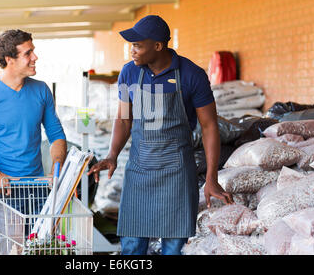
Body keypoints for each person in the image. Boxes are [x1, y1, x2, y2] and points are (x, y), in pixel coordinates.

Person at [87, 15, 234, 255]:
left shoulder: (191, 75)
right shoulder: (129, 73)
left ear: (158, 46)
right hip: (138, 170)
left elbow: (209, 127)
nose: (132, 51)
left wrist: (211, 177)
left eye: (137, 45)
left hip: (176, 172)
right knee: (132, 245)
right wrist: (112, 155)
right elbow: (124, 118)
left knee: (173, 247)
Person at [0, 29, 67, 214]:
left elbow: (56, 135)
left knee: (42, 244)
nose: (35, 57)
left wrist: (56, 170)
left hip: (39, 188)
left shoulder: (41, 90)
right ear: (9, 59)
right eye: (28, 53)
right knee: (13, 244)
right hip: (4, 190)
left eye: (33, 51)